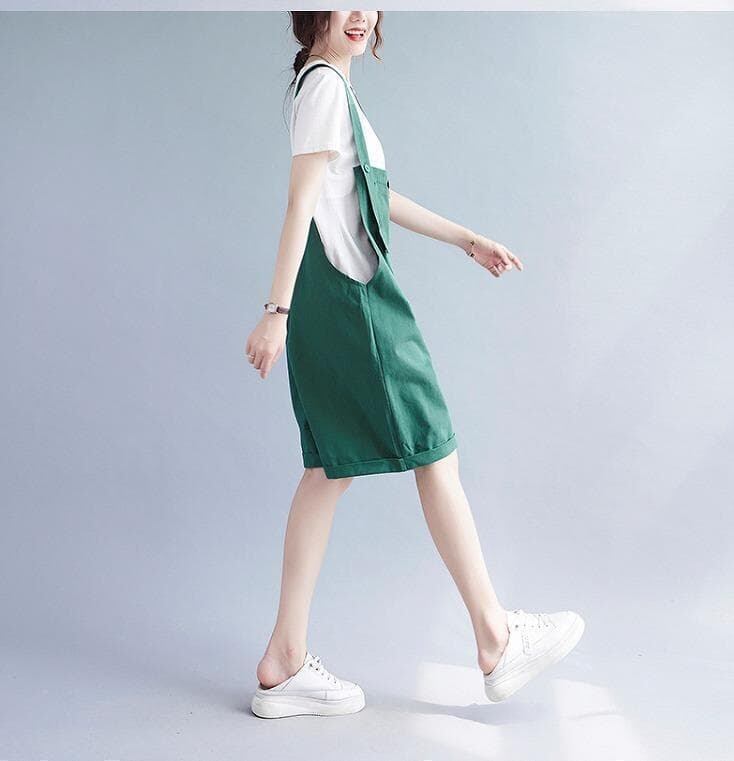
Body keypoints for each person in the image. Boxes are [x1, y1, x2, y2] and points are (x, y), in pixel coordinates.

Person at [247, 11, 585, 719]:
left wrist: (465, 238)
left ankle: (284, 657)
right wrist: (275, 311)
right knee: (433, 449)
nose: (362, 13)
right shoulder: (324, 89)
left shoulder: (327, 88)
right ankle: (495, 638)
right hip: (358, 306)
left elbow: (367, 194)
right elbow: (300, 202)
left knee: (330, 467)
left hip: (336, 305)